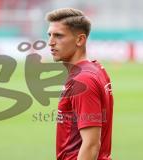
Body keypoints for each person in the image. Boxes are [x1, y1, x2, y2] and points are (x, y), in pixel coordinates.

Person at [46, 8, 113, 160]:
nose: (50, 42)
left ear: (80, 40)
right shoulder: (96, 68)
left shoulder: (82, 80)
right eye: (49, 35)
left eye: (58, 36)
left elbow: (91, 145)